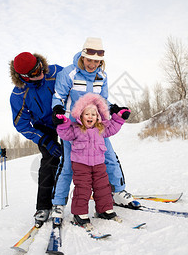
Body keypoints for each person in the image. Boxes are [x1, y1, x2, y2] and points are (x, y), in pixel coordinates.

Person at [51, 37, 140, 220]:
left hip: (96, 125)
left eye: (96, 61)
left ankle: (117, 193)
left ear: (101, 60)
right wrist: (58, 111)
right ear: (83, 56)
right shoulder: (69, 73)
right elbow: (58, 96)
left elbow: (104, 100)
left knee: (110, 159)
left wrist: (113, 109)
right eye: (89, 59)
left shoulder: (102, 76)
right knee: (68, 165)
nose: (92, 64)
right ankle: (59, 204)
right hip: (74, 128)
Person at [56, 93, 130, 226]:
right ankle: (79, 214)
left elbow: (113, 127)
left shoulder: (101, 129)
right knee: (83, 188)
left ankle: (104, 210)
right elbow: (64, 133)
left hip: (99, 164)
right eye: (87, 114)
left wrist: (119, 118)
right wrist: (62, 123)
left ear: (98, 117)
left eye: (93, 114)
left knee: (103, 187)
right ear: (80, 116)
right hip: (80, 165)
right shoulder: (76, 129)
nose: (90, 116)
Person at [10, 52, 63, 227]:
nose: (40, 73)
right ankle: (43, 206)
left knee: (84, 153)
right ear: (23, 76)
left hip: (63, 117)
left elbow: (76, 84)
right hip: (44, 127)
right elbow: (22, 125)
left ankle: (104, 192)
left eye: (40, 67)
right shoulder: (19, 94)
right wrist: (44, 140)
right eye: (34, 73)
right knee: (50, 159)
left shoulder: (55, 73)